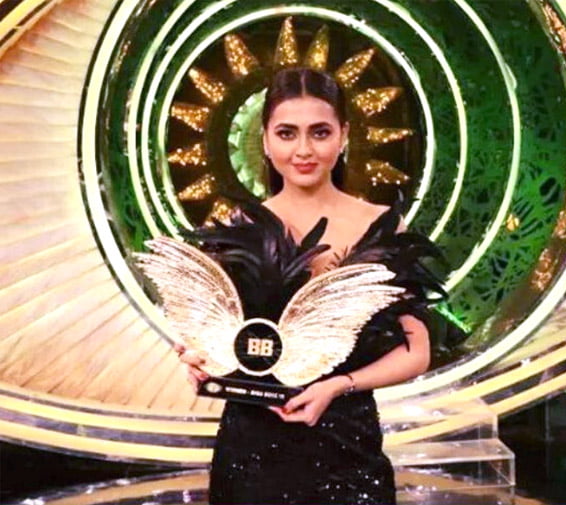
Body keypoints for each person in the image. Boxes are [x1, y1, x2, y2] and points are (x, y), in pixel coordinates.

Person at [177, 67, 441, 505]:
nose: (303, 150)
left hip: (348, 446)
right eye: (287, 133)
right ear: (265, 141)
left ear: (344, 136)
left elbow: (417, 352)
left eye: (320, 133)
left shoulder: (383, 225)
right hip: (252, 451)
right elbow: (213, 341)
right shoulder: (236, 229)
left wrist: (339, 385)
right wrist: (199, 359)